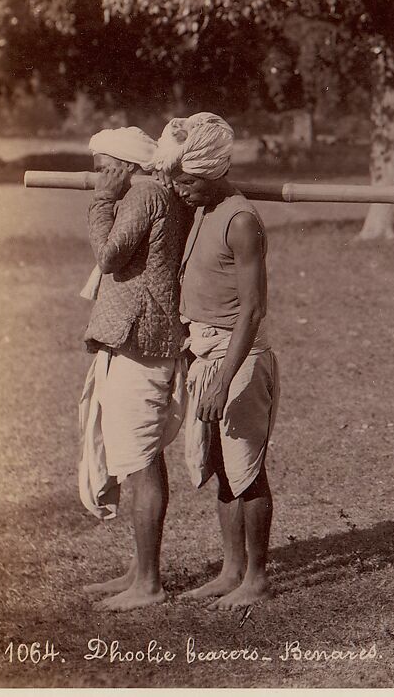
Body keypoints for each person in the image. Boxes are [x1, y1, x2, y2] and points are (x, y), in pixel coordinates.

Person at [153, 112, 280, 608]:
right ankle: (231, 570)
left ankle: (257, 577)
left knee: (248, 469)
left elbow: (253, 310)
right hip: (205, 353)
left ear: (208, 173)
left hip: (239, 355)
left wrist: (224, 382)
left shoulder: (241, 220)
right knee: (224, 468)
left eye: (184, 182)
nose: (177, 190)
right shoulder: (203, 209)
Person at [78, 126, 192, 611]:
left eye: (105, 169)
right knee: (135, 455)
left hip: (139, 338)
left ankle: (148, 583)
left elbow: (107, 256)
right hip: (137, 336)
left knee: (140, 459)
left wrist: (102, 202)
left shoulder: (143, 194)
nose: (100, 178)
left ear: (123, 167)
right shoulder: (152, 192)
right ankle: (139, 568)